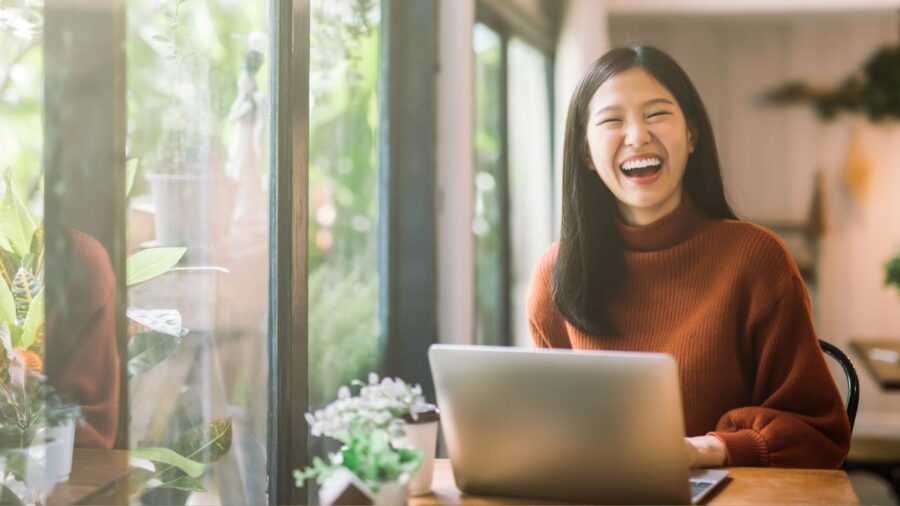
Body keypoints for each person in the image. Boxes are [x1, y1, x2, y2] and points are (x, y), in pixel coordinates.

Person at [526, 45, 850, 469]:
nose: (637, 135)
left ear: (692, 135)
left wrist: (708, 449)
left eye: (657, 114)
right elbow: (551, 426)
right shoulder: (557, 272)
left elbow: (819, 434)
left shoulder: (755, 259)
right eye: (611, 120)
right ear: (586, 153)